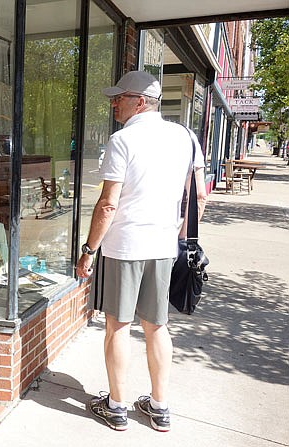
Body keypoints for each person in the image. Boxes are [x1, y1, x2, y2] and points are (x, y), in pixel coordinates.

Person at [76, 71, 206, 432]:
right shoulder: (185, 137)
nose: (114, 103)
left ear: (142, 101)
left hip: (123, 247)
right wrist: (179, 237)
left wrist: (88, 250)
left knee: (118, 325)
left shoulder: (123, 140)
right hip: (163, 247)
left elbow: (107, 205)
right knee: (157, 325)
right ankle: (159, 407)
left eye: (120, 97)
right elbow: (199, 196)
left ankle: (116, 406)